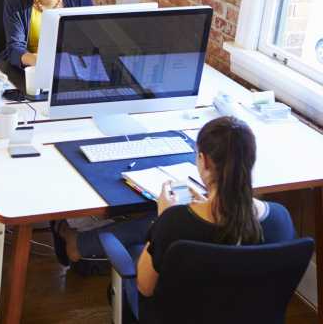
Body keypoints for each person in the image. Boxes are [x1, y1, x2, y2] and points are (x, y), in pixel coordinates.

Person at [57, 117, 295, 315]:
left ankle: (77, 244)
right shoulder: (280, 219)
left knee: (139, 247)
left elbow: (145, 287)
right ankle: (78, 245)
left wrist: (162, 221)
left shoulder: (175, 222)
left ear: (202, 160)